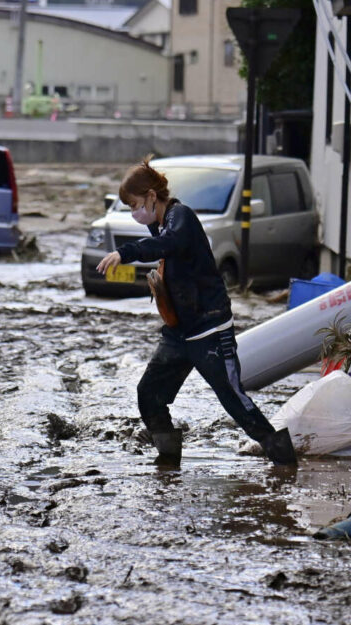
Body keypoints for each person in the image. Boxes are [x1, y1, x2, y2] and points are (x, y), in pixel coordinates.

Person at [96, 156, 296, 468]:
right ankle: (168, 460)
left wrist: (125, 253)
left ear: (152, 196)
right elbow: (163, 245)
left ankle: (283, 458)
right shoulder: (159, 223)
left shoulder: (181, 217)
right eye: (130, 208)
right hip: (179, 333)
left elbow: (169, 244)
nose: (134, 213)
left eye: (135, 205)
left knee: (234, 399)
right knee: (149, 392)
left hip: (210, 331)